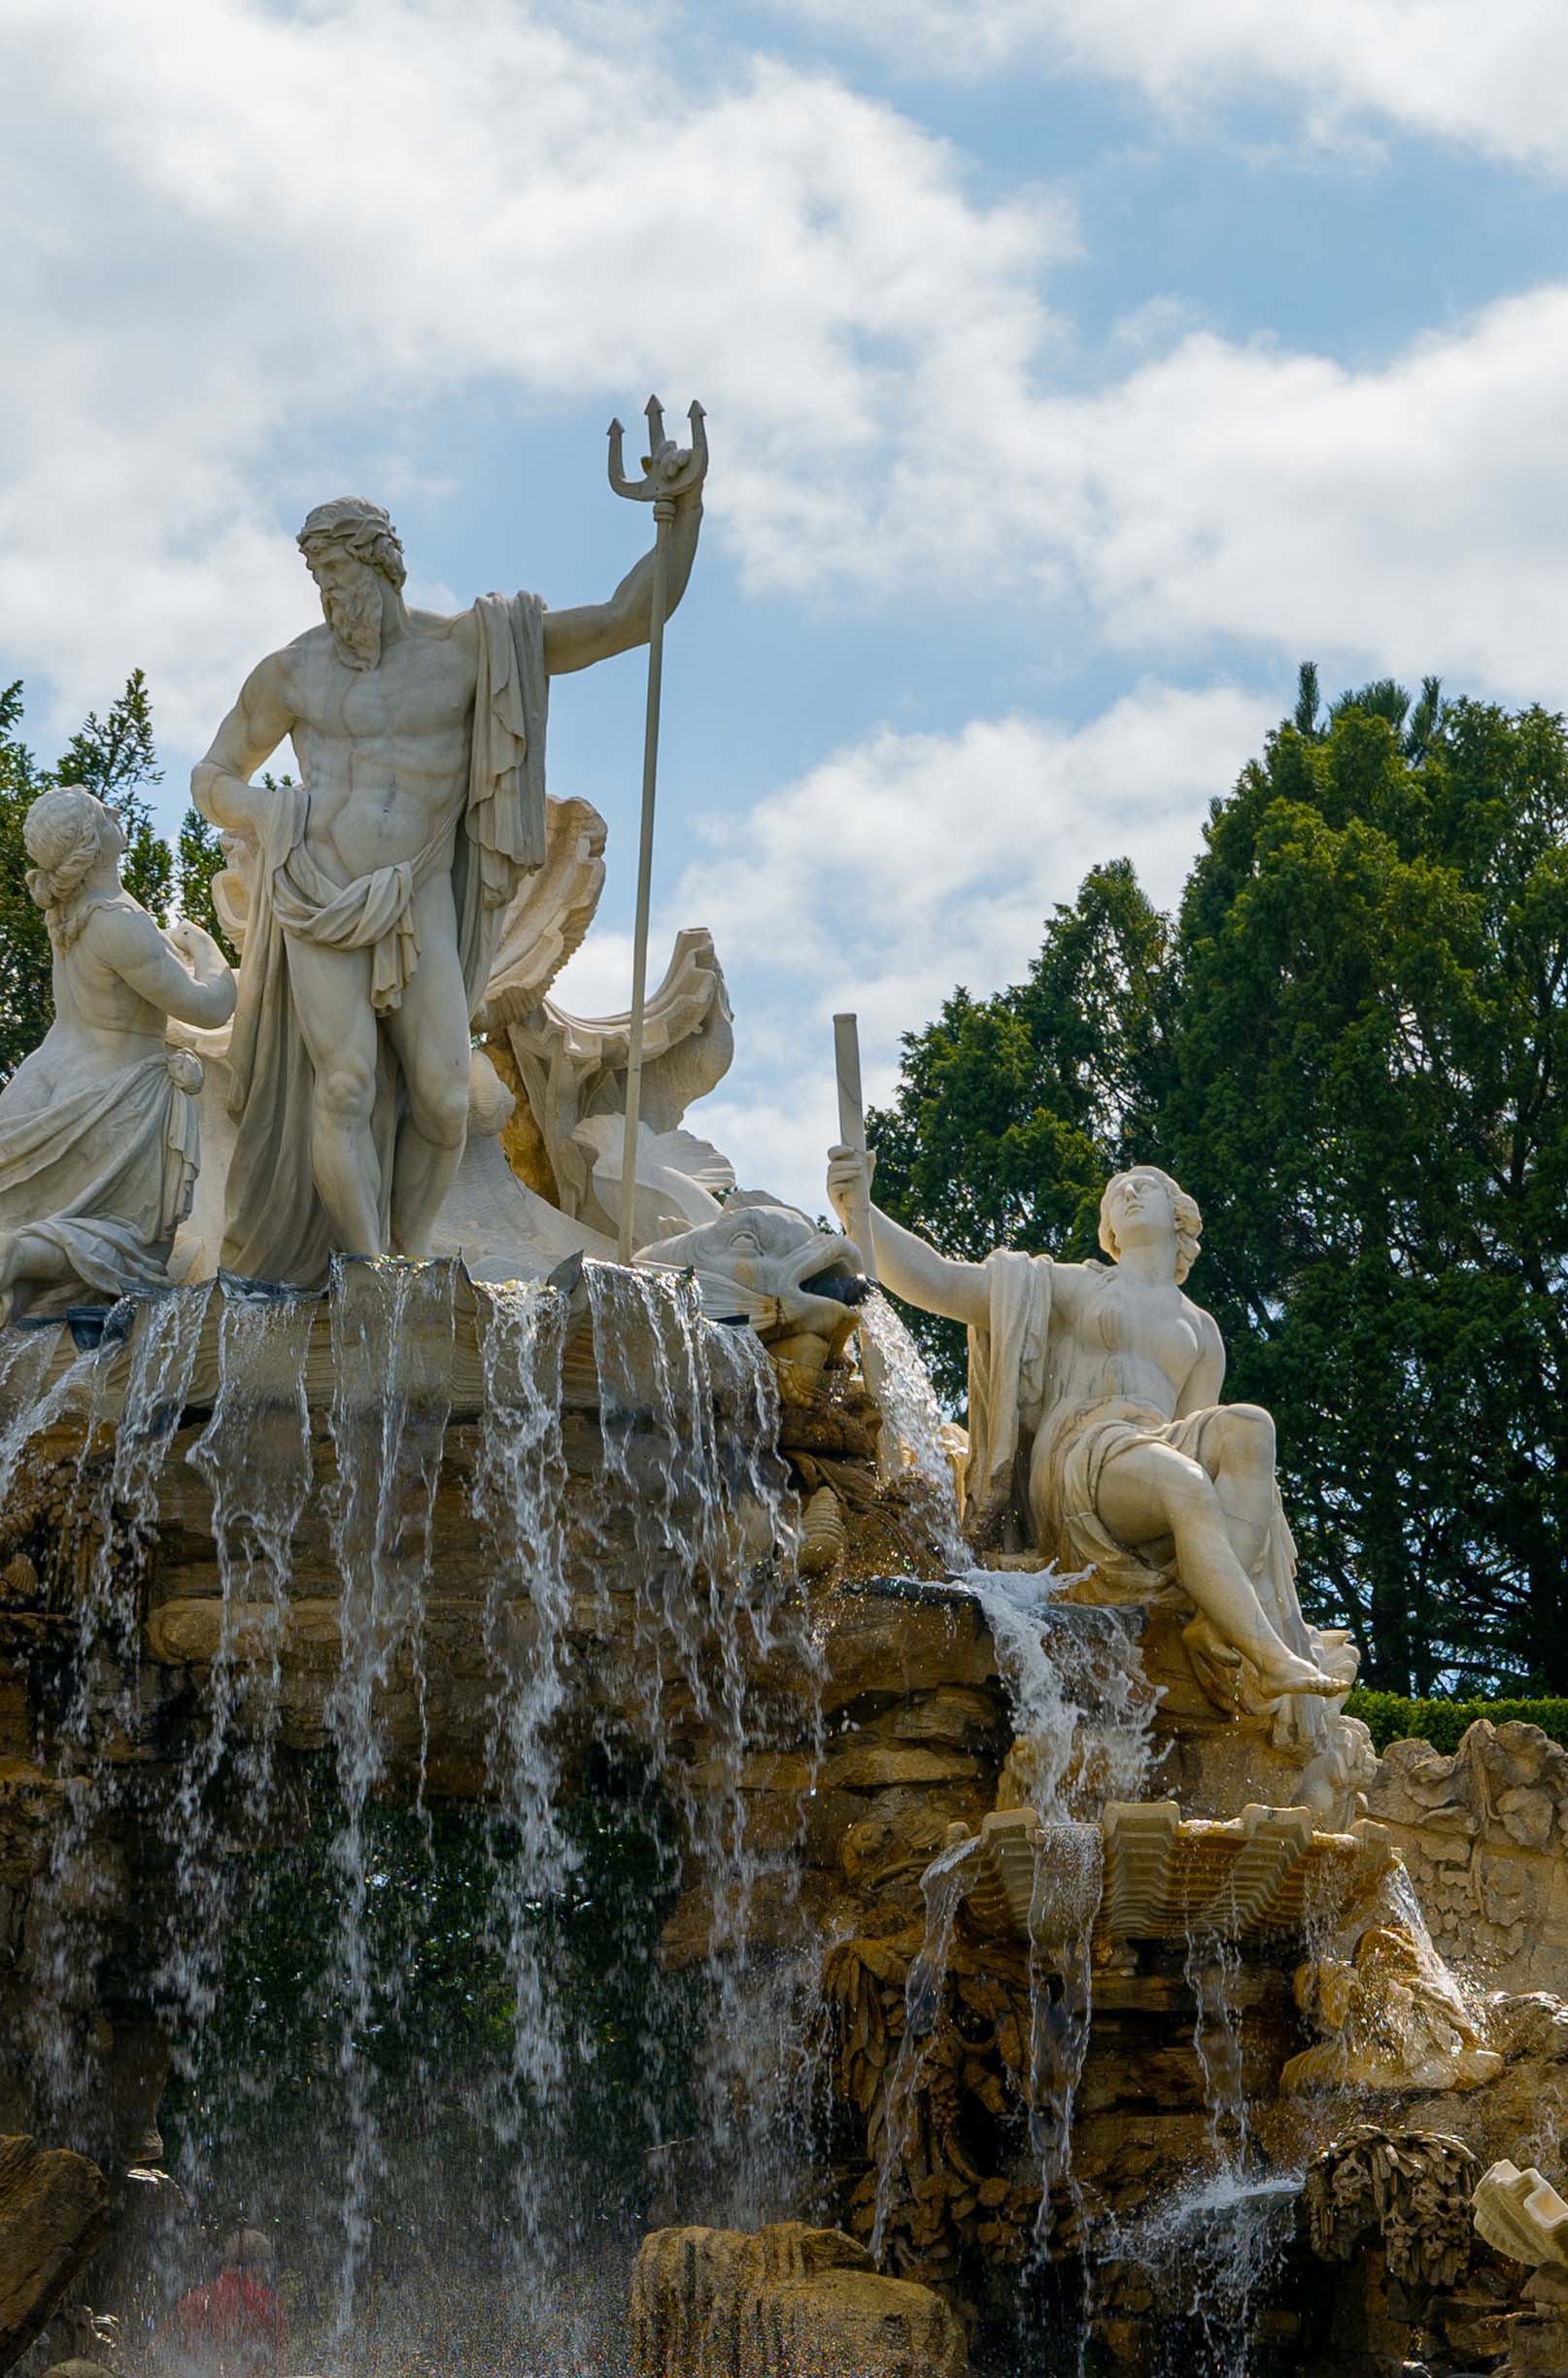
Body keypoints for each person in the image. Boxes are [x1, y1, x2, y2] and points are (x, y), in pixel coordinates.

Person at [189, 434, 705, 1283]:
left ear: (384, 567)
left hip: (418, 887)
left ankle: (409, 1251)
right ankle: (369, 1275)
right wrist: (265, 809)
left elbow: (626, 621)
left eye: (340, 580)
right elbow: (212, 777)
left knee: (443, 1097)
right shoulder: (290, 674)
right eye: (318, 585)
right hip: (316, 888)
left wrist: (679, 514)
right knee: (345, 1084)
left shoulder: (471, 647)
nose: (329, 602)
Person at [824, 1139, 1360, 1765]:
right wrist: (858, 1209)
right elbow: (940, 1282)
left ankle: (1216, 1623)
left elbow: (1203, 1432)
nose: (1129, 1192)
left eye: (1145, 1186)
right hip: (1084, 1452)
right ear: (1108, 1230)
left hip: (1153, 1451)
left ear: (1179, 1216)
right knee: (1184, 1484)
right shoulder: (1074, 1286)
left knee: (1249, 1426)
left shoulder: (1201, 1329)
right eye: (1117, 1194)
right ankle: (1267, 1653)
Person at [0, 785, 236, 1349]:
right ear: (92, 842)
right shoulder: (117, 921)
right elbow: (208, 1007)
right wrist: (206, 948)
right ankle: (14, 1254)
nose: (115, 810)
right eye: (103, 809)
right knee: (130, 1245)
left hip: (36, 1089)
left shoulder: (67, 913)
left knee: (63, 1273)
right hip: (110, 1097)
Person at [157, 2223, 290, 2378]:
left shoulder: (195, 2301)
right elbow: (281, 2362)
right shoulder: (267, 2304)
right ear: (259, 2265)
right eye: (267, 2263)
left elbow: (159, 2349)